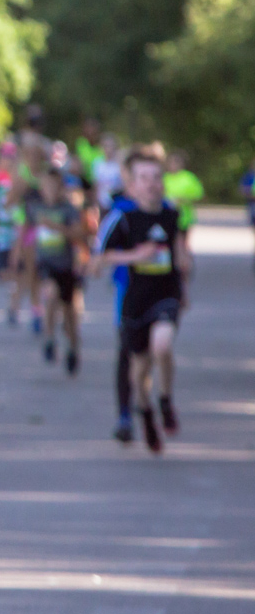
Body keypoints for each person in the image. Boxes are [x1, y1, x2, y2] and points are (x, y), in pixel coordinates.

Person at [94, 150, 191, 454]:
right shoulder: (121, 215)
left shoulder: (172, 213)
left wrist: (184, 276)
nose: (151, 184)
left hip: (166, 294)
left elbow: (179, 253)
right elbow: (98, 259)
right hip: (132, 296)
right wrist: (136, 256)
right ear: (131, 183)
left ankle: (165, 401)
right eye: (143, 178)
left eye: (156, 178)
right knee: (135, 364)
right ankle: (140, 411)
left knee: (162, 345)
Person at [29, 168, 85, 374]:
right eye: (46, 186)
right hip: (46, 263)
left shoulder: (68, 209)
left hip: (66, 265)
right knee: (50, 295)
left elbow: (80, 235)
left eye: (55, 186)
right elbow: (27, 234)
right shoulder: (35, 208)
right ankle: (50, 338)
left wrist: (57, 227)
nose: (50, 190)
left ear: (61, 188)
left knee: (69, 311)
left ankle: (72, 348)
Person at [162, 150, 203, 233]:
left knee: (181, 242)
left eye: (176, 162)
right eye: (171, 162)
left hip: (183, 218)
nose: (173, 165)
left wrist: (183, 200)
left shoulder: (188, 178)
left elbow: (199, 196)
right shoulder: (164, 177)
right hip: (165, 216)